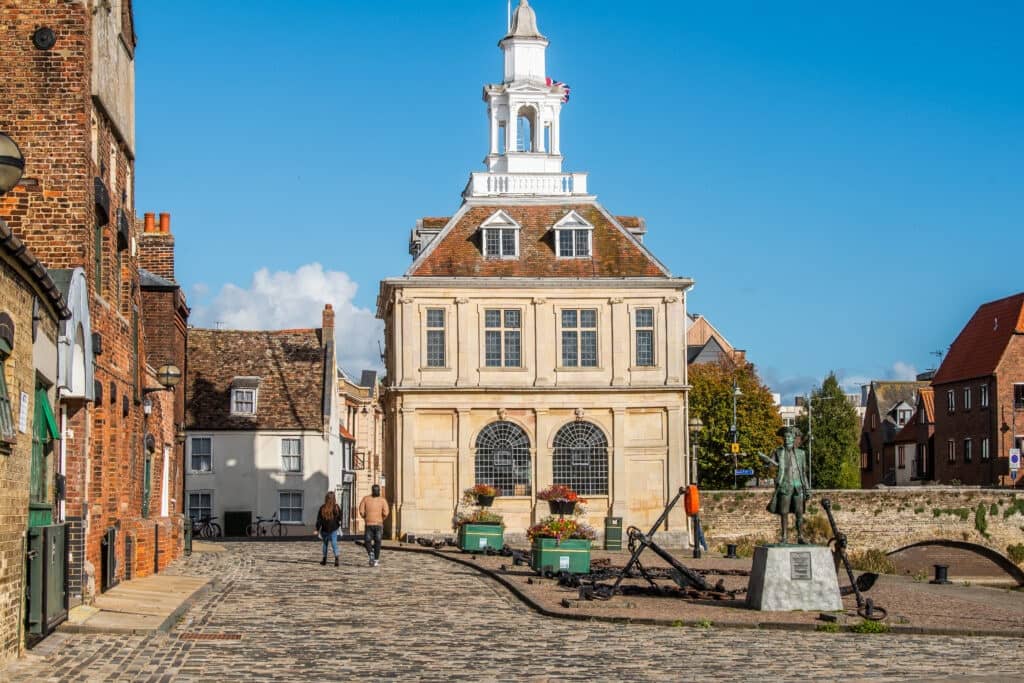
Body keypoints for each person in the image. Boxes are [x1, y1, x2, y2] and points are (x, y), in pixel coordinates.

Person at [766, 426, 812, 543]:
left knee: (799, 512)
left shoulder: (801, 453)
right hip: (785, 486)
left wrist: (807, 488)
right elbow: (770, 467)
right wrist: (769, 464)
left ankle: (800, 536)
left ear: (793, 438)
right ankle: (784, 537)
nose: (787, 439)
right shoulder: (778, 452)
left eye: (789, 437)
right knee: (784, 512)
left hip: (798, 485)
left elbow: (803, 473)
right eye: (785, 437)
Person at [358, 484, 389, 567]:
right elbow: (386, 512)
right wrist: (382, 519)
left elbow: (361, 510)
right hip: (378, 524)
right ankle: (376, 560)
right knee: (377, 542)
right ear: (379, 491)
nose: (377, 491)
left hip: (369, 524)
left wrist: (365, 517)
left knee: (367, 541)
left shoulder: (366, 499)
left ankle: (371, 553)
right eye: (377, 490)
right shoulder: (382, 500)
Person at [315, 491, 343, 566]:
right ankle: (336, 558)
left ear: (326, 498)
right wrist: (337, 522)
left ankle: (324, 559)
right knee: (334, 543)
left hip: (325, 528)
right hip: (333, 528)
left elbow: (319, 520)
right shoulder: (336, 507)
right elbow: (340, 517)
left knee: (325, 544)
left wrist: (317, 529)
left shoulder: (322, 507)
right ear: (334, 498)